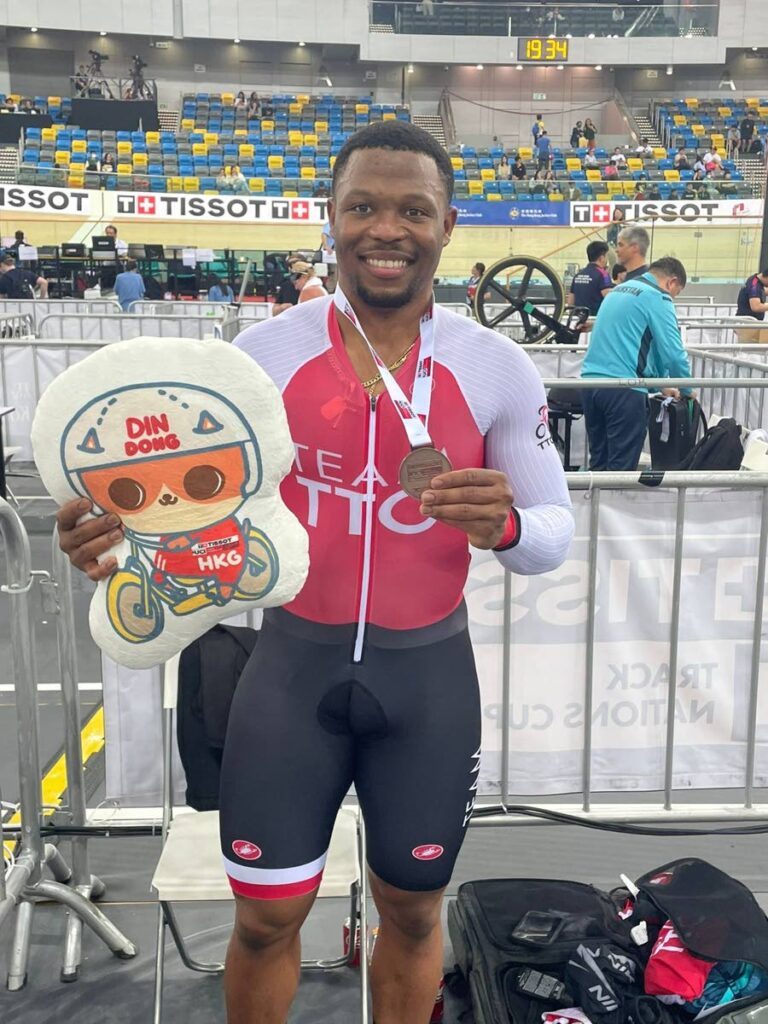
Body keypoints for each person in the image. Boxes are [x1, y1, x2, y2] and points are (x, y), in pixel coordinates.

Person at [55, 119, 574, 1024]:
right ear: (329, 219)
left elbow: (551, 537)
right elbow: (181, 517)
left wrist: (508, 525)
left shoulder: (496, 367)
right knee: (265, 920)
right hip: (290, 671)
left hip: (427, 681)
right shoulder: (260, 358)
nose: (387, 229)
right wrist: (113, 543)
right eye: (362, 207)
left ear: (448, 225)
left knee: (413, 913)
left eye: (414, 210)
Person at [581, 256, 692, 471]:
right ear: (671, 282)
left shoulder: (618, 291)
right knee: (620, 471)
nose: (672, 298)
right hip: (623, 390)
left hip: (590, 385)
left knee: (598, 467)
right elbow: (674, 355)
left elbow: (629, 346)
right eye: (676, 293)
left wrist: (660, 385)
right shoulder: (657, 297)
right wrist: (687, 389)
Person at [567, 241, 613, 316]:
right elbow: (609, 299)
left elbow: (570, 301)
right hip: (595, 318)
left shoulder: (578, 275)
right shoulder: (603, 274)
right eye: (606, 257)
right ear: (601, 258)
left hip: (579, 318)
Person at [736, 267, 768, 343]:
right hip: (748, 324)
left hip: (750, 324)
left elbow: (762, 291)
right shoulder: (754, 286)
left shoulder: (755, 280)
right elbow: (756, 307)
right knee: (749, 348)